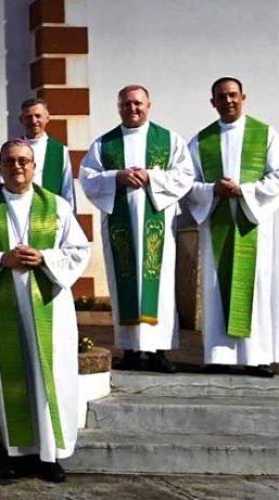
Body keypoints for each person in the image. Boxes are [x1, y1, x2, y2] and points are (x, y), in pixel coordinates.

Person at [0, 139, 89, 482]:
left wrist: (45, 258)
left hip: (50, 306)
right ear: (0, 168)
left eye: (24, 161)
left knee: (52, 373)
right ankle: (17, 453)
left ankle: (51, 455)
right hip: (3, 303)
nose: (17, 167)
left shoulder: (58, 206)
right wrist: (1, 259)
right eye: (10, 162)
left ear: (34, 167)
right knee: (11, 375)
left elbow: (78, 250)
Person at [81, 85, 194, 373]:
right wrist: (116, 176)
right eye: (126, 104)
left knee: (161, 287)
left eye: (137, 103)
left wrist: (151, 177)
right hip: (121, 226)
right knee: (124, 284)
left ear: (148, 105)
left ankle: (158, 352)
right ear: (119, 107)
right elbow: (88, 178)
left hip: (157, 223)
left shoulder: (169, 140)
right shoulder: (104, 144)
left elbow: (184, 176)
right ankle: (130, 350)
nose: (132, 108)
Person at [185, 77, 279, 378]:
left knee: (256, 288)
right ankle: (218, 355)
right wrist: (214, 189)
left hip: (253, 224)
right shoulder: (201, 141)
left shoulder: (264, 135)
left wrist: (245, 191)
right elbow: (188, 183)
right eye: (221, 97)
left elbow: (277, 176)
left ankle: (258, 357)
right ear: (212, 102)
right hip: (217, 223)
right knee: (216, 285)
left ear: (243, 97)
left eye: (233, 95)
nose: (228, 101)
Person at [20, 98, 75, 206]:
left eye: (38, 116)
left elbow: (67, 188)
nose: (33, 121)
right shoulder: (13, 148)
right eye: (28, 117)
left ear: (47, 118)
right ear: (21, 120)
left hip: (50, 212)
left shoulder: (59, 150)